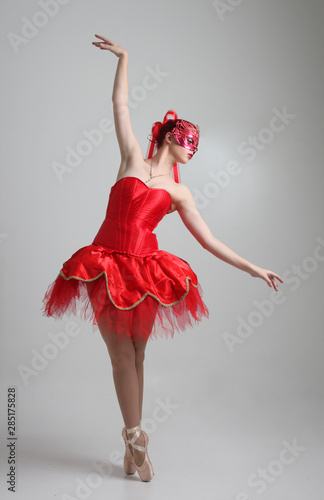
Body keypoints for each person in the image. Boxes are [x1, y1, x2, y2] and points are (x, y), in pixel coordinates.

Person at [41, 34, 284, 482]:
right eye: (191, 142)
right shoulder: (131, 157)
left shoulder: (179, 191)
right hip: (106, 263)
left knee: (137, 354)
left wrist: (254, 267)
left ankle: (130, 440)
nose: (194, 149)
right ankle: (137, 438)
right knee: (119, 357)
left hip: (146, 271)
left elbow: (209, 240)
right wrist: (124, 58)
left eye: (196, 145)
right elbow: (120, 106)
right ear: (174, 137)